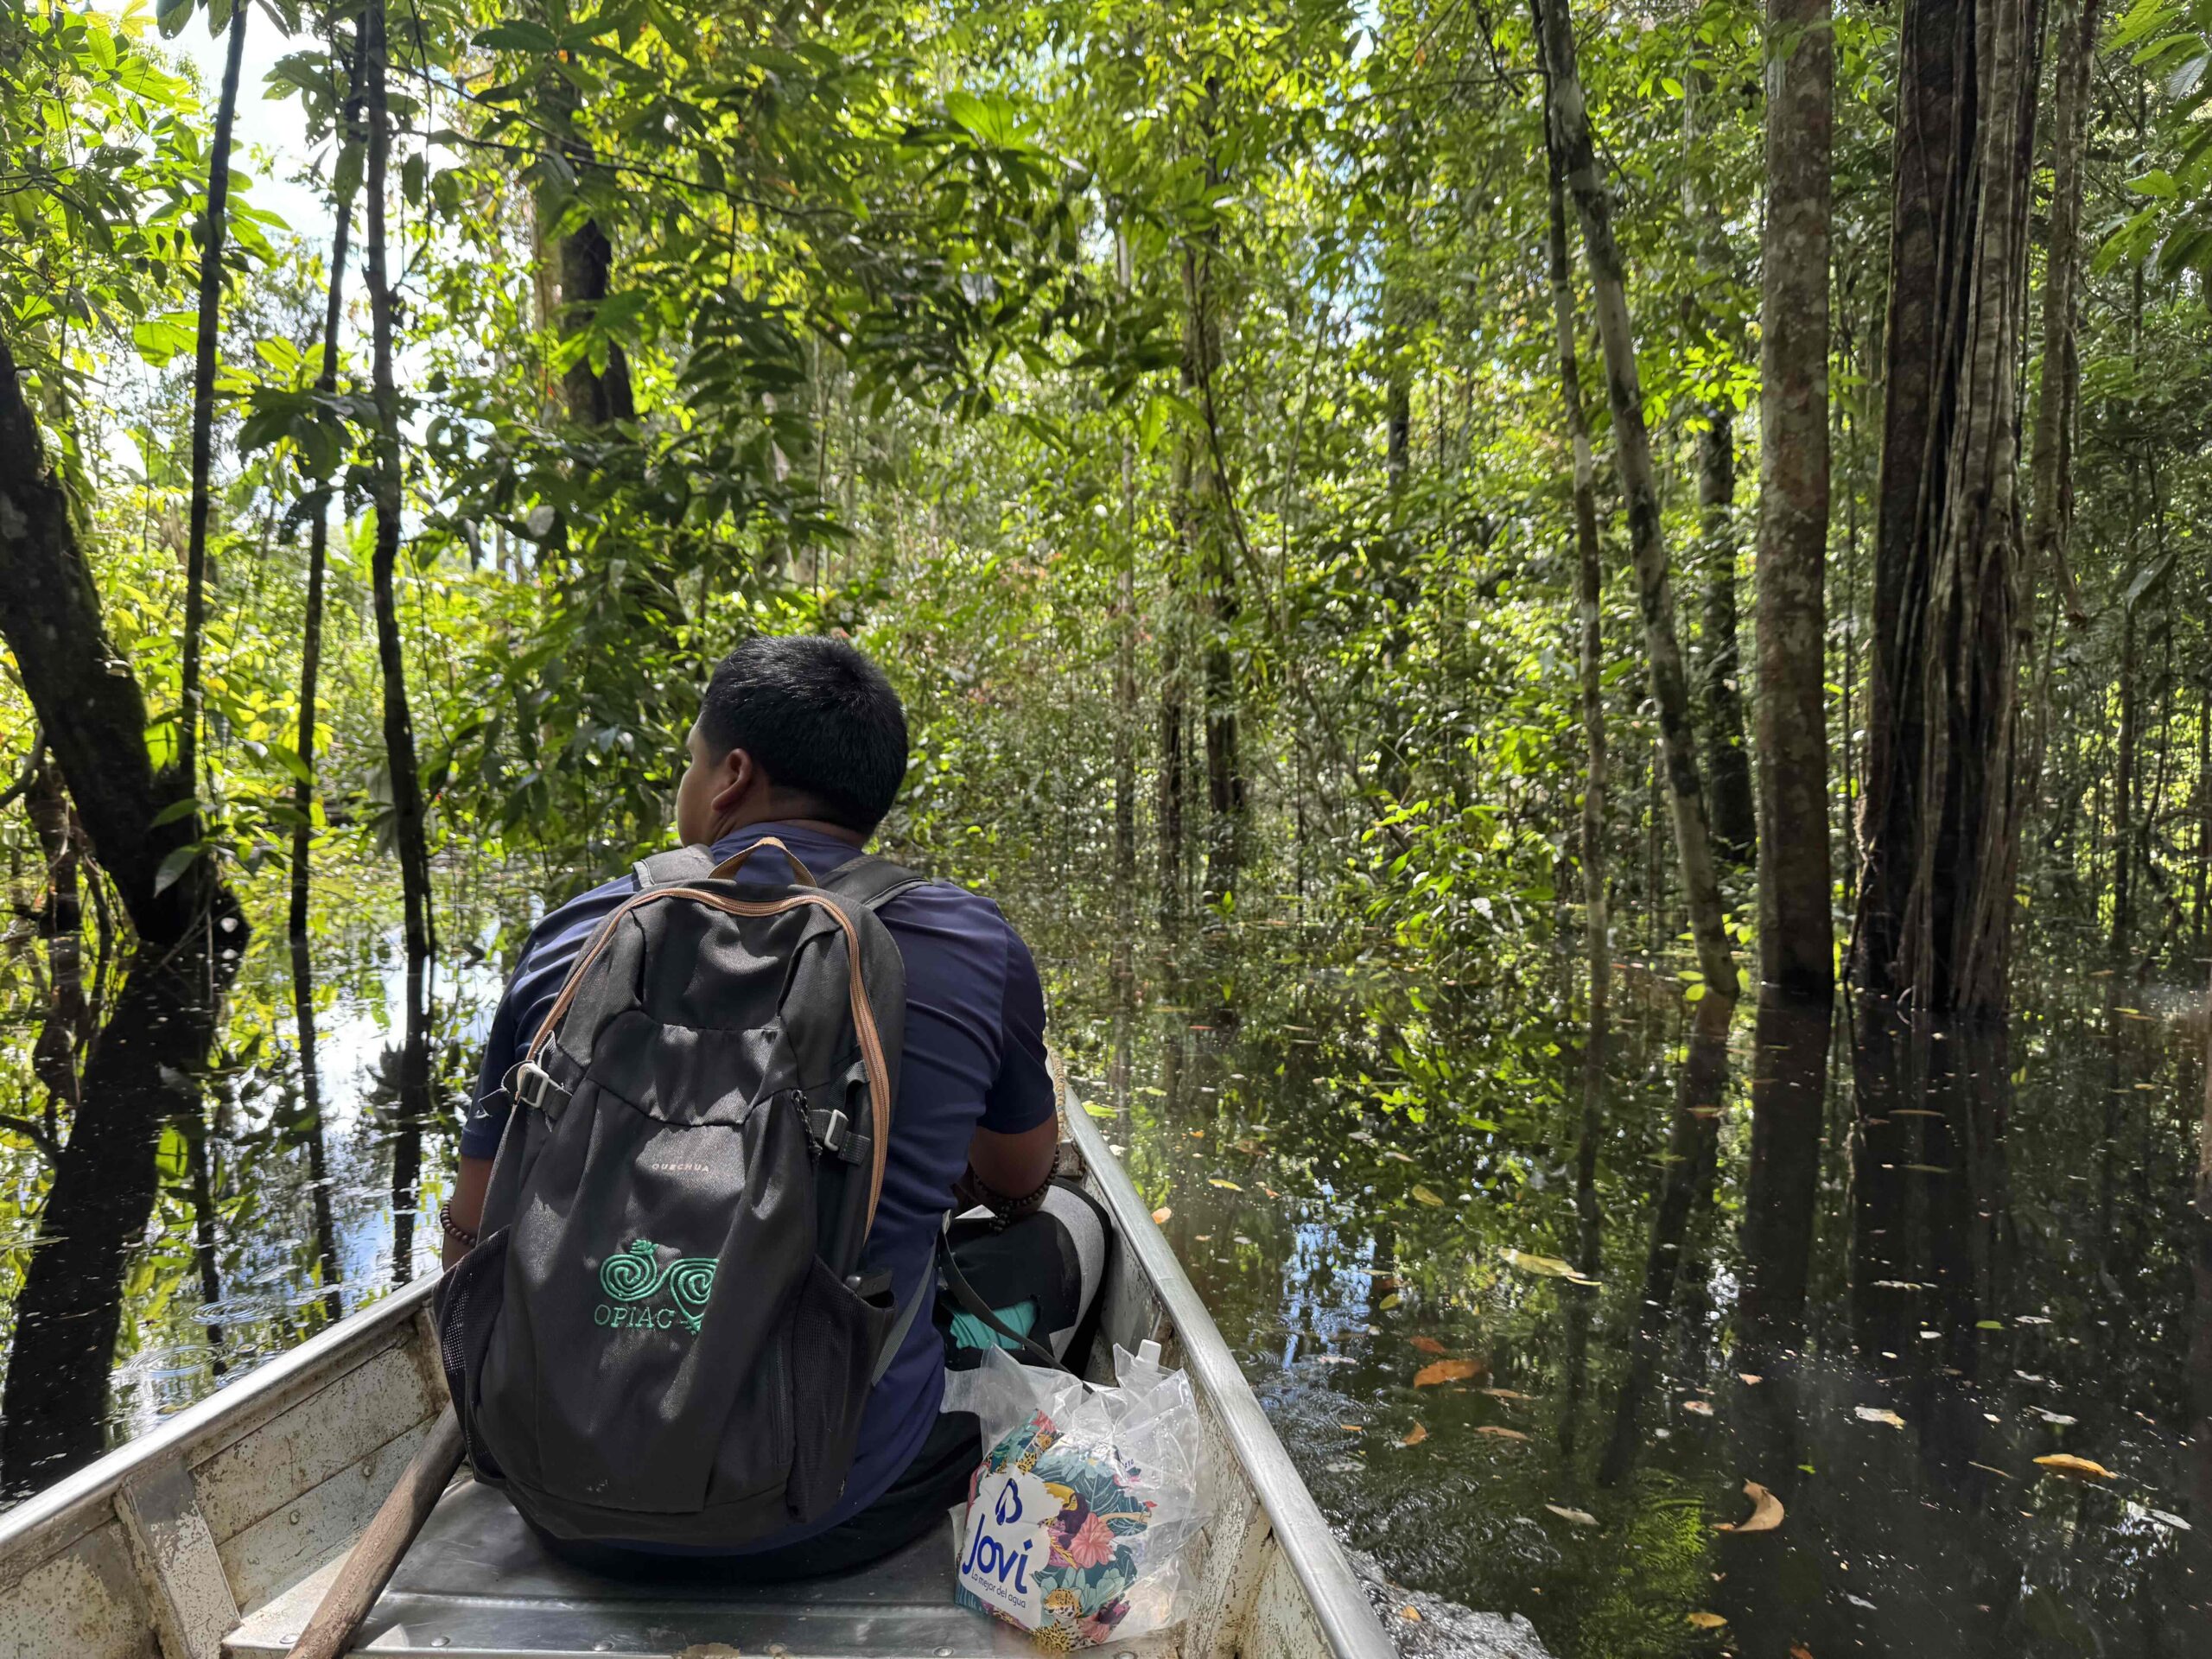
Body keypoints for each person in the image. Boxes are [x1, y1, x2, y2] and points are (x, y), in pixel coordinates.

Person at [441, 633, 1105, 1577]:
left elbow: (472, 1234)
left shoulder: (577, 934)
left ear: (732, 777)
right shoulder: (969, 941)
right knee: (1075, 1223)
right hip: (829, 1507)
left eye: (690, 759)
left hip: (554, 1497)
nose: (690, 779)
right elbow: (1018, 1177)